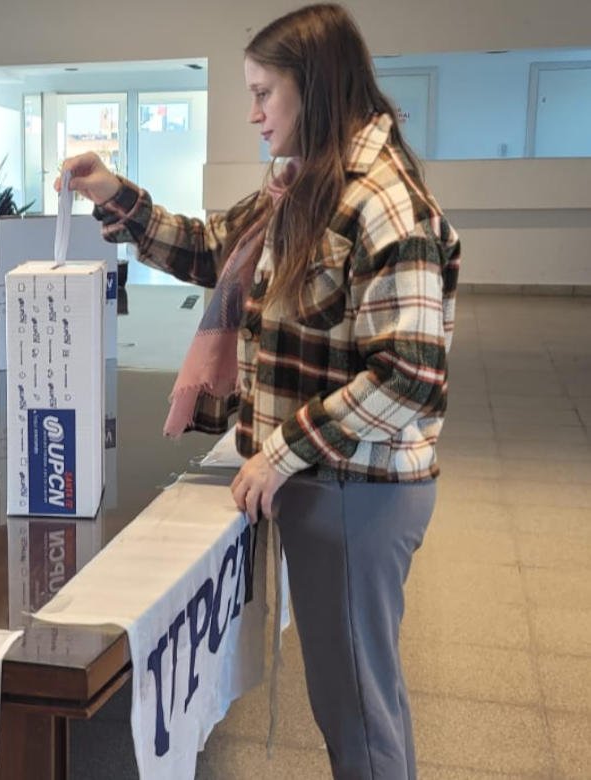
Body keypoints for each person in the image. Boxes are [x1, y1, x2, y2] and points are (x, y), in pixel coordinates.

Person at [62, 5, 461, 777]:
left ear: (314, 88)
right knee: (352, 698)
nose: (253, 115)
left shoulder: (377, 200)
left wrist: (281, 453)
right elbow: (216, 247)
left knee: (357, 708)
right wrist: (113, 191)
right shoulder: (305, 184)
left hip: (357, 487)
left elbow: (410, 374)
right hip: (329, 480)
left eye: (263, 94)